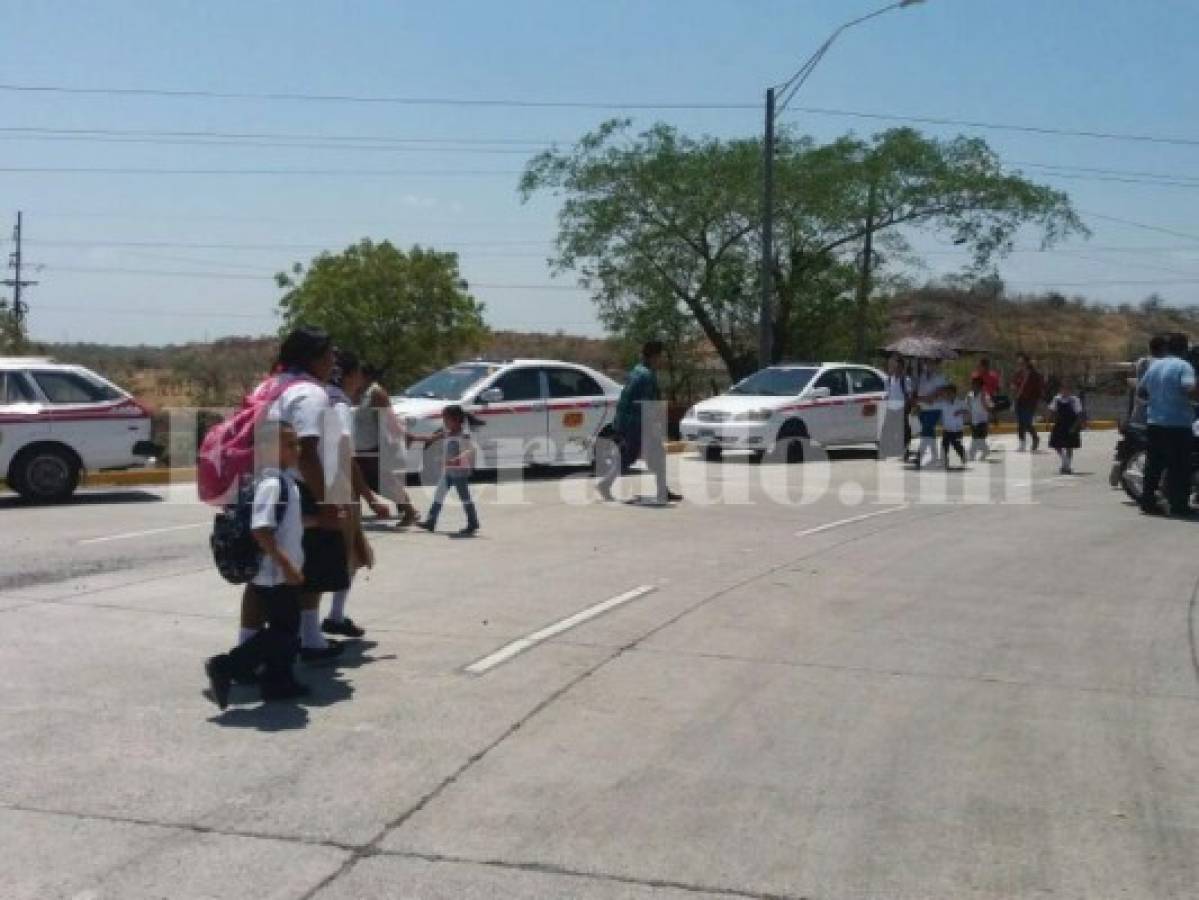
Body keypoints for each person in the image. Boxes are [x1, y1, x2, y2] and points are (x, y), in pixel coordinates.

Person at [238, 326, 345, 666]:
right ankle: (306, 640)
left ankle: (248, 646)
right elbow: (308, 451)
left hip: (260, 483)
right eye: (329, 356)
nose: (334, 362)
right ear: (313, 358)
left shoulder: (269, 385)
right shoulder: (310, 394)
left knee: (260, 577)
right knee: (307, 567)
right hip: (297, 489)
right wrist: (327, 502)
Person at [205, 423, 309, 708]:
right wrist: (287, 565)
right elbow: (261, 529)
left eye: (297, 443)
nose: (296, 450)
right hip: (275, 574)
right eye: (289, 444)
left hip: (273, 571)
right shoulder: (273, 484)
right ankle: (225, 666)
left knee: (284, 631)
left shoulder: (278, 480)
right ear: (266, 449)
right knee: (284, 631)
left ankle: (278, 682)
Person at [320, 350, 389, 640]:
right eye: (358, 373)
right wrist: (370, 497)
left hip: (316, 486)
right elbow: (345, 456)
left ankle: (322, 622)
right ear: (349, 375)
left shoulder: (318, 396)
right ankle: (323, 623)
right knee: (347, 555)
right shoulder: (340, 405)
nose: (361, 379)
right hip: (337, 489)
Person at [597, 340, 682, 505]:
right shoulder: (646, 376)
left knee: (637, 456)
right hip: (637, 423)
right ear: (655, 356)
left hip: (627, 421)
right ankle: (605, 485)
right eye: (660, 356)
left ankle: (661, 490)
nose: (661, 360)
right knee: (633, 456)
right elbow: (647, 404)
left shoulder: (637, 370)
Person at [1138, 332, 1198, 516]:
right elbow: (1189, 389)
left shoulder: (1155, 366)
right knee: (1179, 467)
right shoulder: (1184, 366)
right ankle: (1179, 506)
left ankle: (1148, 503)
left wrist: (1158, 401)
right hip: (1178, 424)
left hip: (1154, 423)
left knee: (1153, 465)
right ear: (1184, 348)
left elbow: (1141, 392)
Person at [353, 363, 421, 527]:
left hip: (372, 446)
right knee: (358, 481)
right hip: (357, 446)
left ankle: (410, 510)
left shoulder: (376, 393)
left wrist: (395, 441)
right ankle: (354, 515)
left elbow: (388, 419)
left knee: (381, 482)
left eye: (358, 374)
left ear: (367, 376)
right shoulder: (357, 392)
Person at [418, 404, 482, 536]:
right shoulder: (447, 433)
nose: (444, 422)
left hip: (459, 472)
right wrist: (413, 437)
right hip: (448, 471)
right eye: (444, 419)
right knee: (439, 494)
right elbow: (431, 438)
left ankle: (473, 522)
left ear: (457, 419)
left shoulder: (464, 434)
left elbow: (470, 449)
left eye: (446, 419)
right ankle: (430, 522)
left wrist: (457, 459)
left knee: (464, 497)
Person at [1048, 380, 1085, 475]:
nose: (1065, 391)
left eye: (1067, 389)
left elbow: (1080, 414)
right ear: (1060, 390)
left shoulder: (1074, 400)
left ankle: (1067, 466)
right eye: (1063, 389)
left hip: (1071, 424)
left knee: (1069, 446)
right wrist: (1048, 422)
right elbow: (1052, 411)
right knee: (1056, 444)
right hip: (1059, 424)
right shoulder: (1056, 399)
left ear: (1070, 391)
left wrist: (1075, 426)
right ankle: (1064, 460)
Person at [1128, 335, 1167, 428]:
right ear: (1164, 348)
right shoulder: (1163, 364)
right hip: (1156, 418)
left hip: (1139, 416)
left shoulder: (1142, 361)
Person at [880, 355, 913, 461]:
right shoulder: (888, 379)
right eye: (895, 366)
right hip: (891, 408)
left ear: (902, 368)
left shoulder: (906, 380)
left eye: (899, 367)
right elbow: (888, 393)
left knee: (905, 431)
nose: (896, 369)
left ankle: (905, 451)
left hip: (901, 408)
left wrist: (907, 408)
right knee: (886, 430)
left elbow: (908, 395)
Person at [1011, 353, 1045, 452]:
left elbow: (1040, 388)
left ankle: (1035, 438)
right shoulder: (1018, 373)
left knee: (1026, 421)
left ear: (1027, 362)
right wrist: (1014, 391)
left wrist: (1038, 401)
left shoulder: (1035, 374)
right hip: (1019, 400)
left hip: (1030, 401)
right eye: (1019, 362)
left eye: (1021, 362)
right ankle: (1022, 444)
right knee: (1020, 422)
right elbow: (1013, 385)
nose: (1019, 363)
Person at [936, 384, 969, 469]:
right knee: (944, 445)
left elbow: (967, 411)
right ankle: (944, 461)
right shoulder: (942, 403)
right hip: (947, 429)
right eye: (946, 393)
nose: (947, 395)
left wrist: (960, 411)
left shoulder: (960, 402)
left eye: (949, 393)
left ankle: (963, 455)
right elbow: (936, 410)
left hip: (957, 429)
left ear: (954, 393)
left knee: (956, 444)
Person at [966, 376, 994, 461]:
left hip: (982, 420)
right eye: (973, 384)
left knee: (977, 438)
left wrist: (984, 403)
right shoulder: (969, 395)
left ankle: (972, 454)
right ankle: (985, 451)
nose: (974, 386)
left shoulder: (985, 395)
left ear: (981, 386)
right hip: (973, 420)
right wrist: (967, 418)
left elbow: (990, 407)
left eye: (976, 385)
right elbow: (967, 407)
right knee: (977, 438)